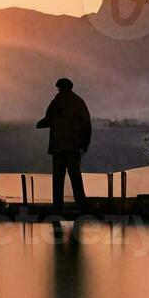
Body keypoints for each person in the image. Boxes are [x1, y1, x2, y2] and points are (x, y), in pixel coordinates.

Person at [36, 77, 91, 208]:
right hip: (74, 148)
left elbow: (47, 120)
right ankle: (82, 206)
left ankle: (57, 207)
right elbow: (86, 126)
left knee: (58, 180)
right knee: (76, 178)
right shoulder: (79, 102)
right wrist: (84, 146)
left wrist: (39, 124)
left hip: (58, 148)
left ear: (60, 88)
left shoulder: (56, 102)